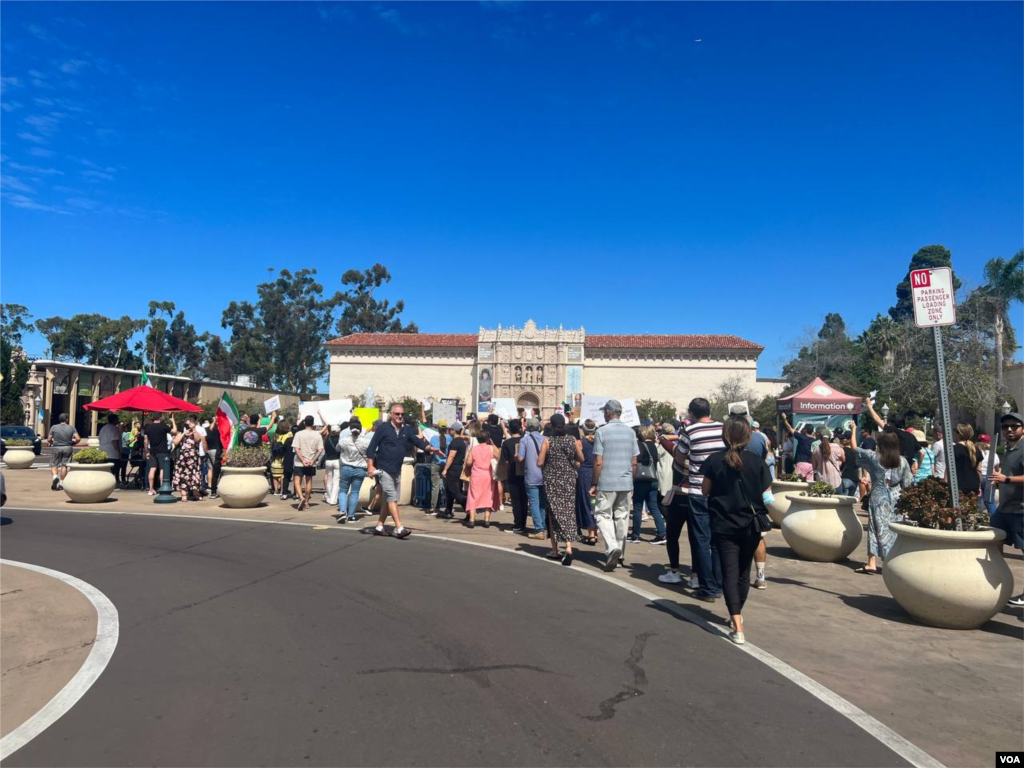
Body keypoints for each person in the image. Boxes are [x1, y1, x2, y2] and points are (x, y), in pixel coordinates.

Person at [702, 418, 772, 645]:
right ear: (748, 436)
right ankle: (737, 615)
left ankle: (737, 623)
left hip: (723, 523)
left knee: (729, 572)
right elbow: (767, 493)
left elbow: (705, 490)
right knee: (743, 572)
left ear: (724, 435)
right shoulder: (757, 462)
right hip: (751, 524)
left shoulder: (714, 460)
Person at [853, 399, 913, 574]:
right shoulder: (902, 461)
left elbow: (855, 448)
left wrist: (854, 430)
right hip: (896, 497)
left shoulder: (874, 458)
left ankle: (872, 561)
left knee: (875, 527)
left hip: (878, 496)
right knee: (893, 528)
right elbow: (908, 483)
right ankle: (892, 559)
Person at [674, 398, 725, 601]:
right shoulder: (723, 428)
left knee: (701, 540)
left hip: (698, 490)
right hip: (720, 491)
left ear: (692, 413)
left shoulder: (690, 431)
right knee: (717, 540)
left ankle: (707, 588)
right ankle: (719, 585)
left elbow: (679, 457)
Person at [365, 403, 437, 538]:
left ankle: (379, 526)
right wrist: (370, 465)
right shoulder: (383, 429)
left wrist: (430, 448)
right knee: (392, 498)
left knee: (389, 499)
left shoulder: (406, 430)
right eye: (397, 414)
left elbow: (417, 442)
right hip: (384, 469)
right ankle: (399, 528)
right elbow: (371, 447)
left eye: (402, 414)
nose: (400, 416)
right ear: (391, 415)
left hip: (397, 469)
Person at [591, 400, 640, 572]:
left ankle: (612, 547)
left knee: (602, 515)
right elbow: (634, 461)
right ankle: (620, 553)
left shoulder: (601, 431)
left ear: (608, 413)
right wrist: (631, 481)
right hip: (625, 482)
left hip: (607, 481)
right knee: (622, 517)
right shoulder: (630, 432)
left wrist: (594, 482)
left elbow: (598, 461)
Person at [987, 411, 1024, 607]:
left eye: (1014, 426)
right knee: (993, 540)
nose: (1009, 429)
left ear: (1023, 429)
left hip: (1020, 509)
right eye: (1005, 427)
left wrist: (1006, 479)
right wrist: (999, 478)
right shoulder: (1010, 449)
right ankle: (997, 581)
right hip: (1005, 508)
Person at [537, 413, 584, 564]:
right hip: (569, 480)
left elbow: (539, 462)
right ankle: (568, 547)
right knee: (568, 512)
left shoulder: (548, 441)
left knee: (553, 514)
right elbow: (581, 458)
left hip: (552, 481)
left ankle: (555, 550)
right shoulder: (572, 439)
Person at [630, 425, 666, 544]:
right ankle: (662, 533)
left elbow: (636, 460)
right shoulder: (654, 446)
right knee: (654, 507)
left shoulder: (640, 446)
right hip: (653, 479)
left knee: (637, 507)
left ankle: (635, 534)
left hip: (641, 480)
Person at [517, 418, 548, 540]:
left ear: (528, 427)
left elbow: (520, 458)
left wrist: (516, 455)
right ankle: (543, 527)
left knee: (534, 503)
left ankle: (539, 529)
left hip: (531, 475)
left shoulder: (525, 440)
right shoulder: (546, 439)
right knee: (542, 503)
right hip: (544, 474)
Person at [465, 428, 500, 528]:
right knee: (488, 496)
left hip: (476, 475)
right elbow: (499, 456)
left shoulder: (474, 449)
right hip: (488, 475)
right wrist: (493, 444)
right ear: (488, 439)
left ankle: (472, 520)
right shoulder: (491, 448)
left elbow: (468, 462)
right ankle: (487, 520)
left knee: (473, 496)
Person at [337, 420, 371, 522]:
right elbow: (372, 452)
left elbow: (337, 449)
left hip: (346, 467)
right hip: (360, 469)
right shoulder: (366, 441)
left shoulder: (344, 440)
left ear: (350, 429)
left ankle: (343, 511)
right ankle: (351, 516)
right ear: (360, 430)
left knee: (343, 491)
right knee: (355, 492)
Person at [572, 420, 598, 545]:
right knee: (594, 502)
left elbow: (578, 460)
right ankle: (595, 531)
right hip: (597, 472)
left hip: (584, 472)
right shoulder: (598, 441)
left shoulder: (580, 442)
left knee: (587, 501)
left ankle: (591, 533)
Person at [499, 419, 528, 533]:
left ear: (509, 429)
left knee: (516, 501)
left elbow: (505, 461)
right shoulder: (525, 440)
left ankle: (518, 524)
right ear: (520, 428)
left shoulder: (506, 443)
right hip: (526, 473)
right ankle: (523, 523)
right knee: (524, 500)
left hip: (512, 473)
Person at [291, 415, 324, 511]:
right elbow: (320, 450)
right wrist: (313, 460)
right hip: (311, 462)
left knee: (297, 480)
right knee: (309, 481)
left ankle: (301, 497)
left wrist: (303, 460)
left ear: (305, 423)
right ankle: (307, 502)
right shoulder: (317, 435)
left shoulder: (299, 434)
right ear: (313, 423)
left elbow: (296, 449)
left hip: (299, 462)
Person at [171, 415, 205, 502]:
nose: (189, 425)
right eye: (187, 423)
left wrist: (193, 430)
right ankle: (184, 495)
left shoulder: (196, 432)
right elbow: (175, 442)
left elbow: (197, 440)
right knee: (183, 476)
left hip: (194, 457)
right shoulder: (181, 433)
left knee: (195, 475)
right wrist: (183, 433)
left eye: (191, 423)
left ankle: (196, 494)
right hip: (183, 458)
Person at [441, 422, 468, 519]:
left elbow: (451, 456)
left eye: (450, 430)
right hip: (458, 468)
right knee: (449, 491)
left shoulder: (455, 442)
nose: (449, 431)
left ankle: (468, 508)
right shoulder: (462, 442)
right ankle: (448, 511)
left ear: (454, 430)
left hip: (453, 469)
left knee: (454, 491)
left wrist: (445, 469)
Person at [47, 413, 79, 491]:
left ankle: (55, 477)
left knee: (54, 464)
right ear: (67, 419)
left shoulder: (54, 427)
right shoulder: (71, 428)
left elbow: (49, 439)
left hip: (57, 447)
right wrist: (73, 443)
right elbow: (78, 438)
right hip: (67, 447)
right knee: (64, 465)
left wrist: (53, 443)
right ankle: (61, 483)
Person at [142, 413, 172, 496]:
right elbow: (174, 431)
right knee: (162, 469)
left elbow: (145, 441)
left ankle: (151, 489)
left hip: (152, 451)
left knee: (152, 469)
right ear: (160, 418)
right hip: (163, 451)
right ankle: (162, 488)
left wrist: (147, 451)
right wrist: (173, 422)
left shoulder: (148, 427)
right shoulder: (163, 426)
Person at [781, 414, 814, 481]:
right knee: (809, 484)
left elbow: (789, 428)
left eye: (804, 428)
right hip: (811, 465)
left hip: (801, 464)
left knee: (797, 482)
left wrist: (784, 419)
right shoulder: (815, 440)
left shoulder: (801, 437)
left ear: (805, 430)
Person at [952, 423, 982, 497]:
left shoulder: (954, 449)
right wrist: (979, 487)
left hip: (958, 486)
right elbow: (979, 470)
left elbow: (949, 469)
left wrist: (945, 483)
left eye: (956, 432)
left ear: (959, 434)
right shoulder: (976, 450)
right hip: (974, 485)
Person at [427, 424, 448, 515]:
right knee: (446, 486)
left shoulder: (433, 438)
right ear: (446, 429)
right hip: (447, 464)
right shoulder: (450, 438)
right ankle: (446, 506)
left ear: (438, 429)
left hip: (436, 463)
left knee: (435, 486)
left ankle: (433, 507)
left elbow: (430, 452)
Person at [976, 433, 999, 514]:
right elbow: (996, 468)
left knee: (979, 500)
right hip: (989, 477)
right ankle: (994, 519)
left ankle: (979, 520)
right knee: (990, 501)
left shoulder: (976, 452)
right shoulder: (993, 454)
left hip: (978, 476)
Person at [321, 422, 342, 507]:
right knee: (336, 481)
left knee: (329, 480)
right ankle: (333, 500)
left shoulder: (327, 439)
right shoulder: (340, 439)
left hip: (328, 461)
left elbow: (325, 449)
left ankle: (329, 497)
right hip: (337, 460)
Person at [98, 414, 122, 483]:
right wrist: (118, 452)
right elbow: (114, 441)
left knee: (105, 470)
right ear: (115, 420)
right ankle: (111, 482)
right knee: (113, 470)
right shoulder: (113, 428)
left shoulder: (103, 428)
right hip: (112, 453)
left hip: (103, 452)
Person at [270, 422, 292, 497]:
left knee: (275, 475)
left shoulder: (276, 434)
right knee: (283, 475)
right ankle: (283, 490)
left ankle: (276, 490)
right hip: (283, 457)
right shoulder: (289, 435)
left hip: (275, 457)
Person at [205, 418, 222, 499]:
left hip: (208, 450)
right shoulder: (218, 429)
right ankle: (215, 490)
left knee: (210, 469)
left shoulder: (206, 429)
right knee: (216, 471)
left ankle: (210, 486)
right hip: (216, 451)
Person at [838, 432, 860, 497]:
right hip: (855, 479)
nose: (840, 440)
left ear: (849, 440)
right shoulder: (857, 452)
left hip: (845, 478)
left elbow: (839, 464)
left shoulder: (841, 451)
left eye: (842, 439)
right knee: (850, 501)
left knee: (843, 501)